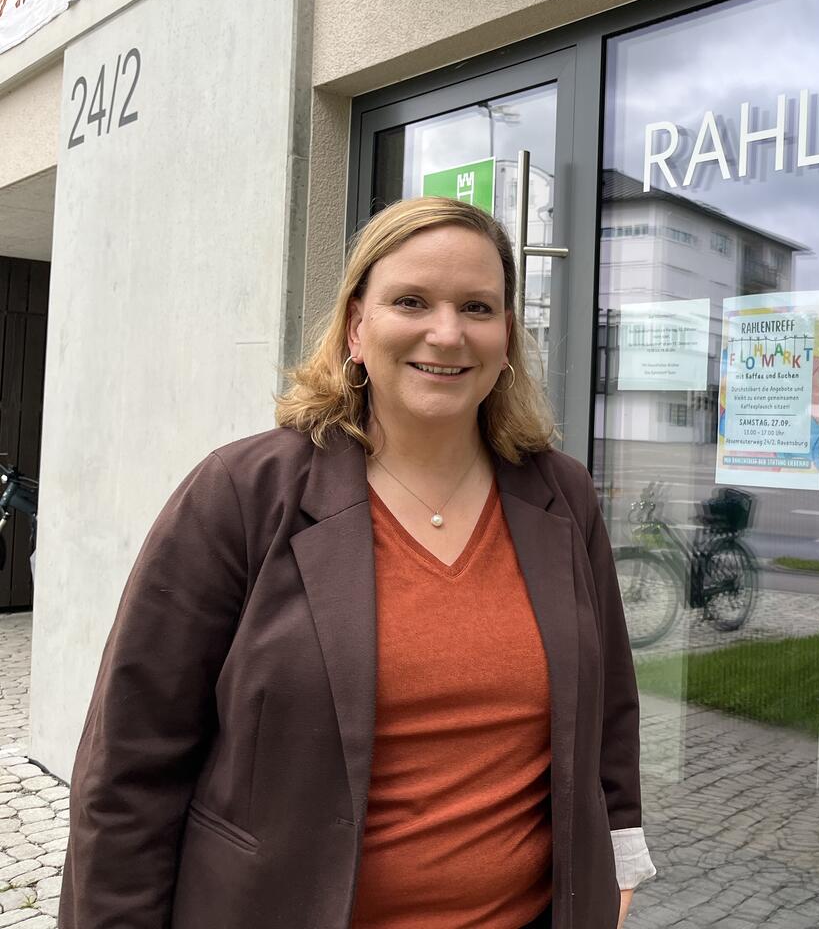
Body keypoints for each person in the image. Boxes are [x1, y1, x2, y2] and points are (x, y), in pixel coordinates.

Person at [59, 196, 656, 929]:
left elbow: (608, 704)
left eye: (477, 307)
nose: (447, 333)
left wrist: (618, 858)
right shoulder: (242, 494)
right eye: (411, 301)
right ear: (355, 327)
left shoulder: (560, 494)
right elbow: (129, 764)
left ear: (506, 337)